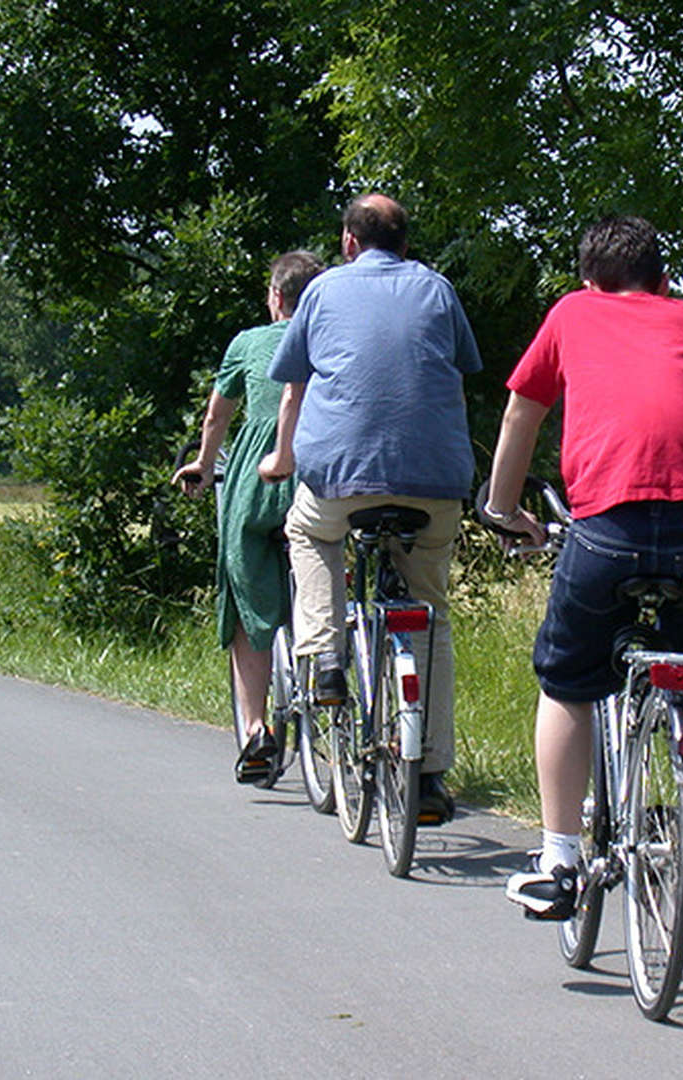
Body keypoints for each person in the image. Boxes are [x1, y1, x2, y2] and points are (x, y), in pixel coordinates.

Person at [481, 215, 683, 920]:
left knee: (567, 679)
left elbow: (522, 413)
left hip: (609, 530)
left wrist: (501, 507)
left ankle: (560, 858)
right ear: (664, 280)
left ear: (586, 279)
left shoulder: (572, 312)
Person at [257, 193, 481, 823]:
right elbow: (456, 372)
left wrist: (280, 460)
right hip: (434, 485)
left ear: (349, 243)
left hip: (340, 482)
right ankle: (430, 776)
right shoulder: (437, 290)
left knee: (307, 531)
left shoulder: (323, 292)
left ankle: (326, 659)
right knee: (430, 616)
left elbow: (296, 387)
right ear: (405, 243)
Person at [174, 250, 326, 784]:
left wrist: (202, 461)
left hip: (257, 477)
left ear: (276, 298)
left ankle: (257, 728)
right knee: (323, 571)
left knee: (244, 594)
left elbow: (218, 413)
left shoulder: (245, 343)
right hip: (315, 470)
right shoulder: (327, 337)